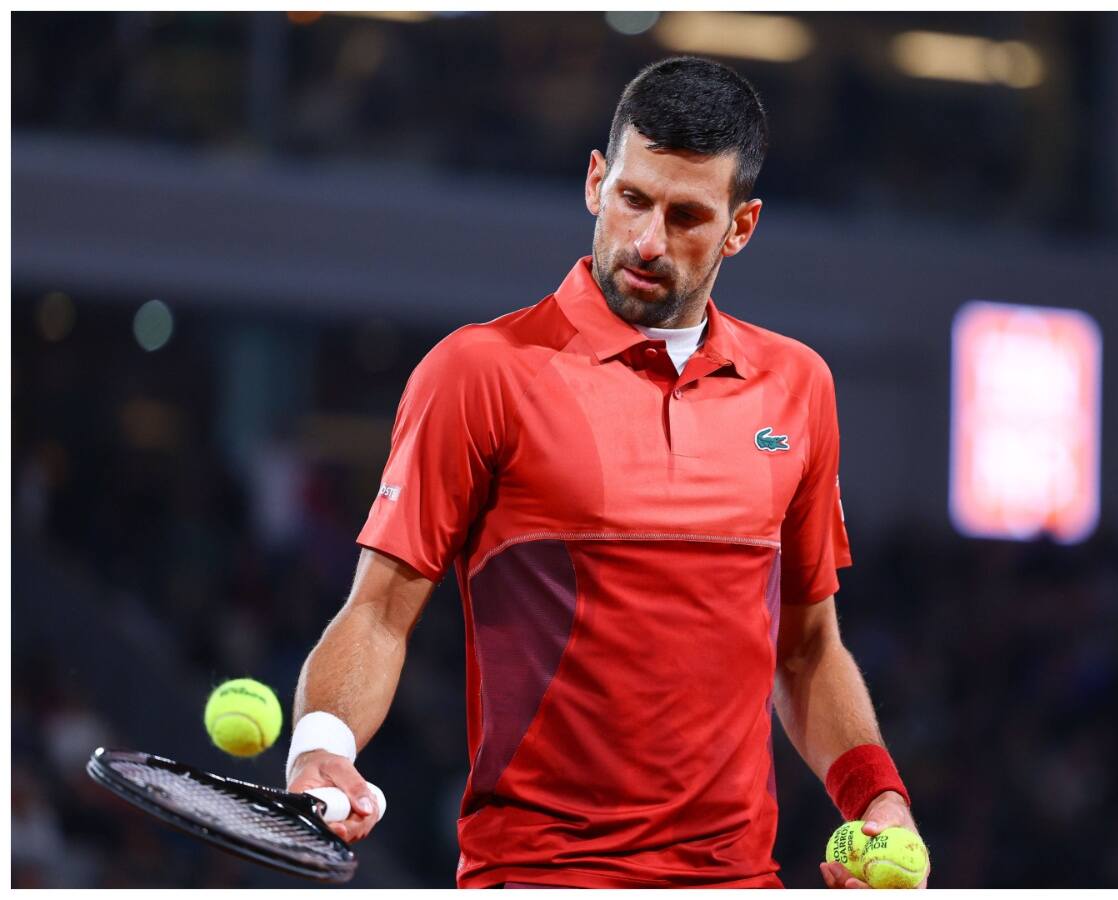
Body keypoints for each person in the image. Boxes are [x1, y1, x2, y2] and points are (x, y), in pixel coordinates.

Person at [285, 56, 927, 889]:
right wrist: (323, 748)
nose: (648, 242)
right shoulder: (479, 373)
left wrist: (877, 797)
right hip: (543, 877)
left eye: (688, 215)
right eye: (633, 199)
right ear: (596, 182)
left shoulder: (798, 386)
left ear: (742, 227)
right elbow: (376, 614)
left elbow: (805, 652)